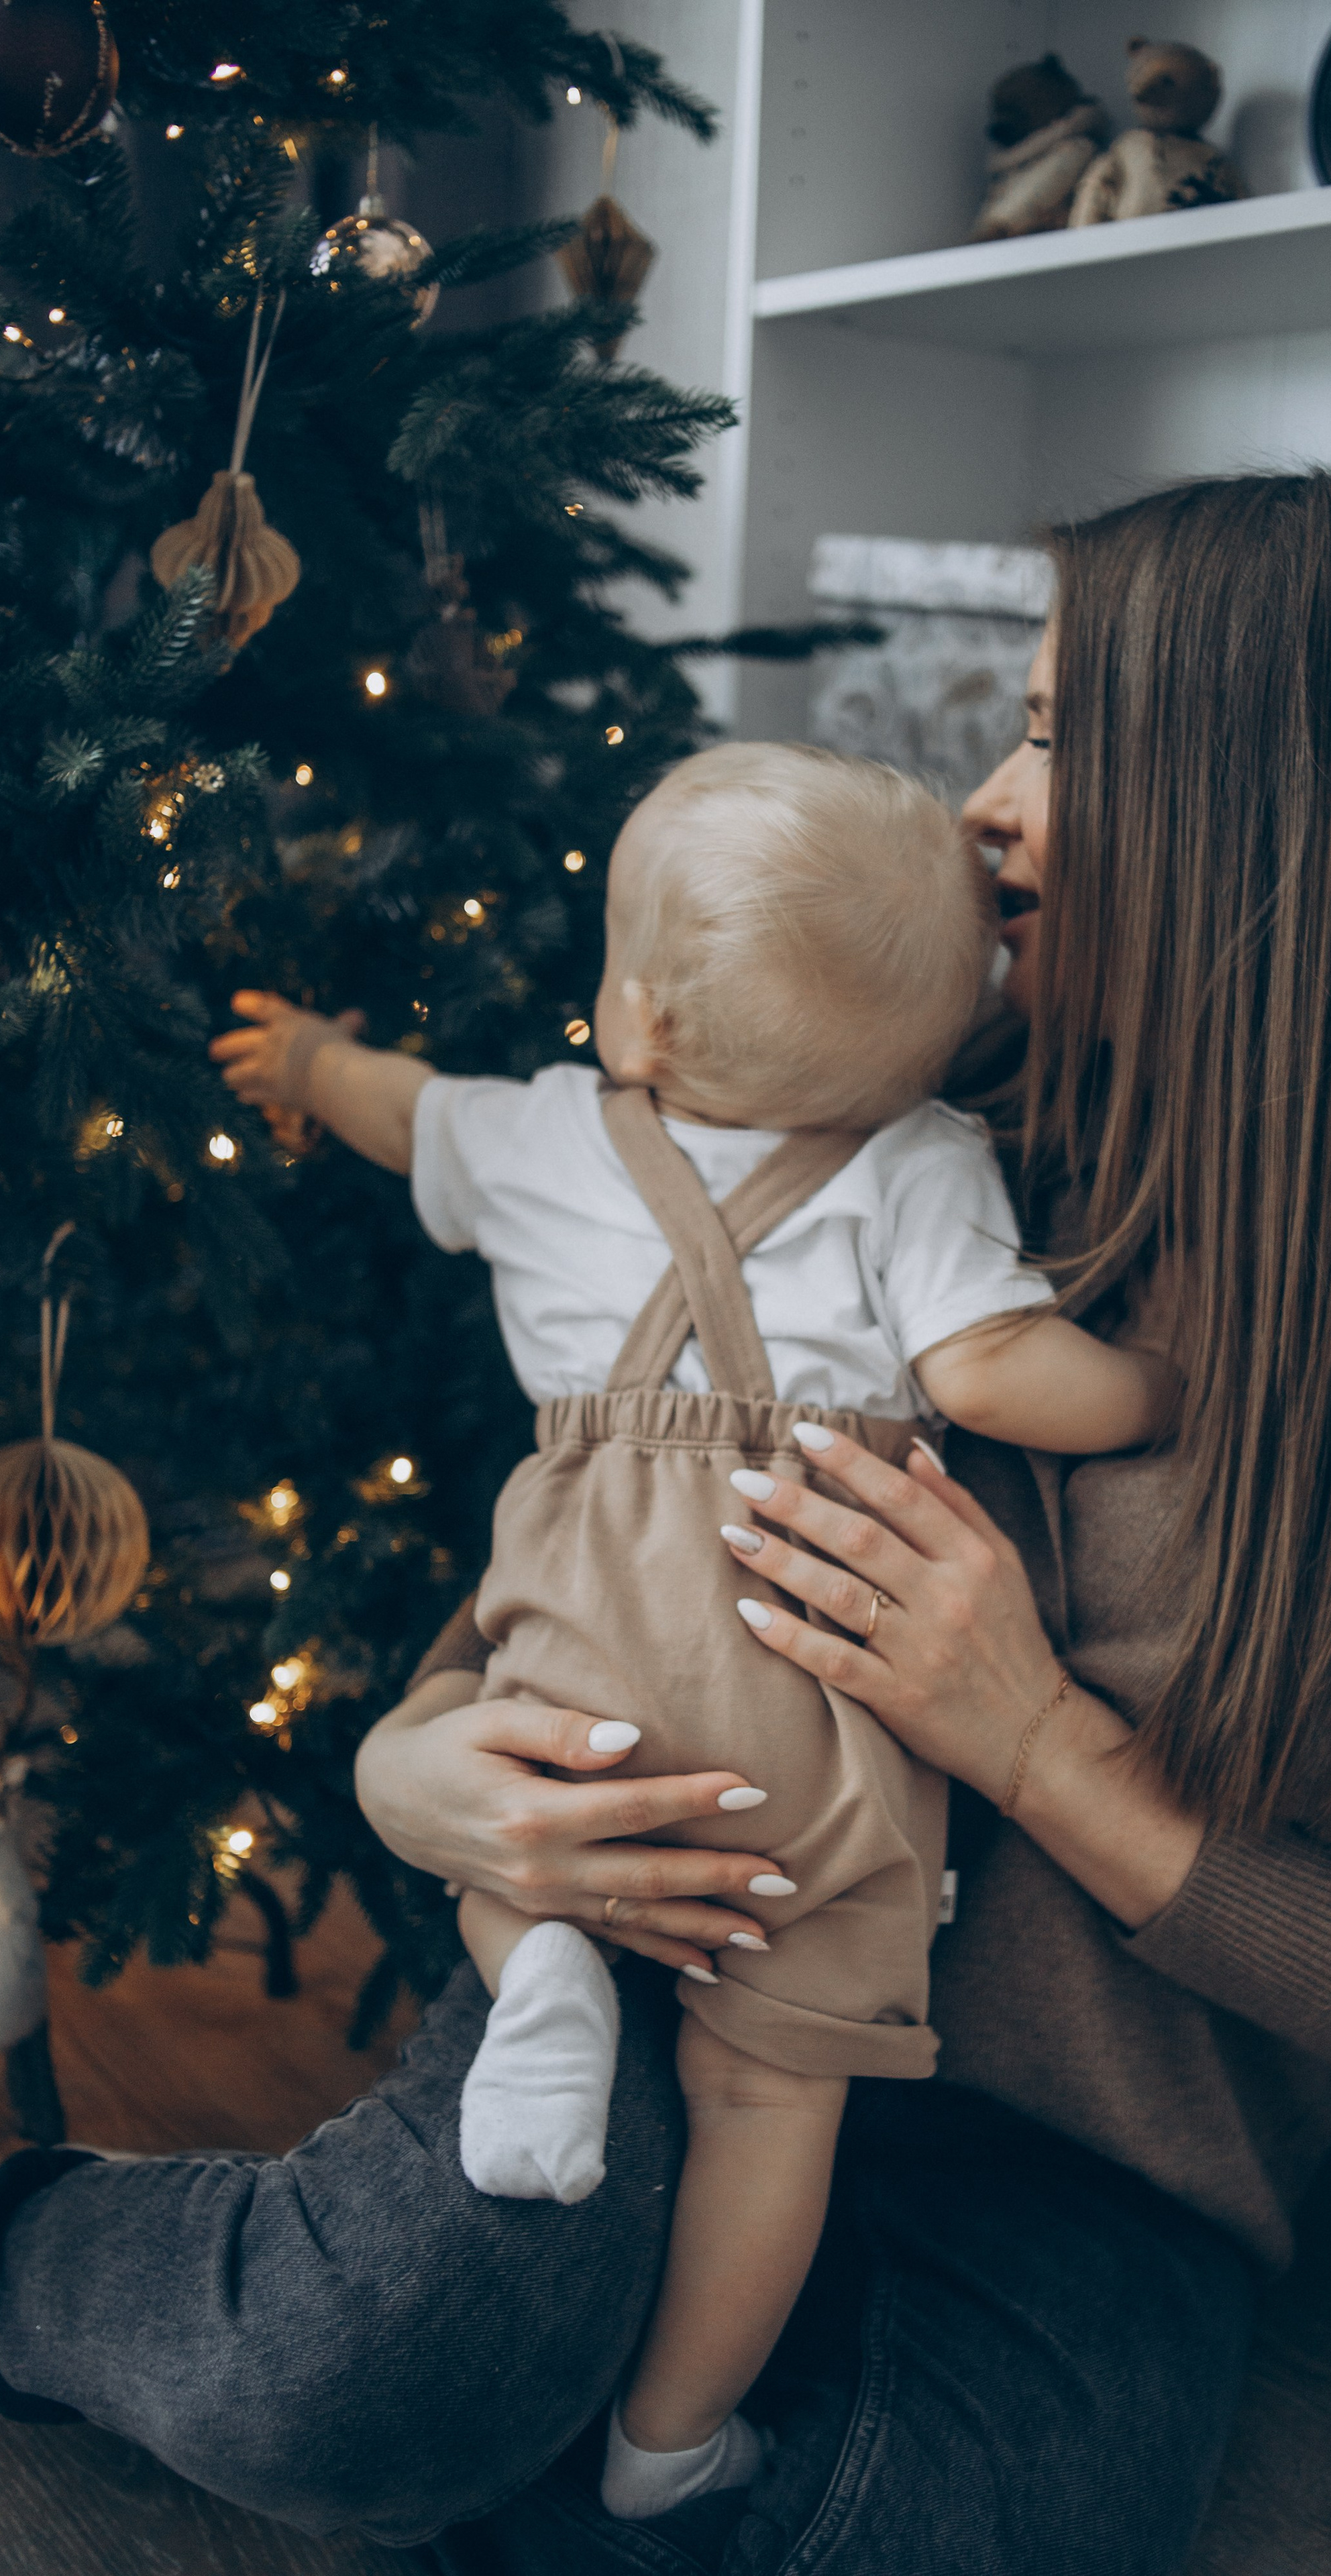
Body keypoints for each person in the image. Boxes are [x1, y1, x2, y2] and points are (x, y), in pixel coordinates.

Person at [0, 473, 1331, 2576]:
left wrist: (1034, 1741)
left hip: (1079, 2164)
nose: (984, 812)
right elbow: (610, 1552)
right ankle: (3, 2244)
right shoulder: (913, 1126)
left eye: (1059, 736)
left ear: (1272, 821)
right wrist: (423, 1776)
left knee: (914, 2532)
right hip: (685, 1973)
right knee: (363, 2362)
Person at [204, 740, 1179, 2522]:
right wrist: (1167, 1391)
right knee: (767, 2100)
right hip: (807, 1657)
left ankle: (547, 1974)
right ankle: (669, 2450)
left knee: (530, 1802)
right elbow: (995, 1372)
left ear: (636, 1018)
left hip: (584, 1614)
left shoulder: (535, 1131)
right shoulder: (929, 1156)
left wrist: (304, 1060)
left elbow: (397, 1104)